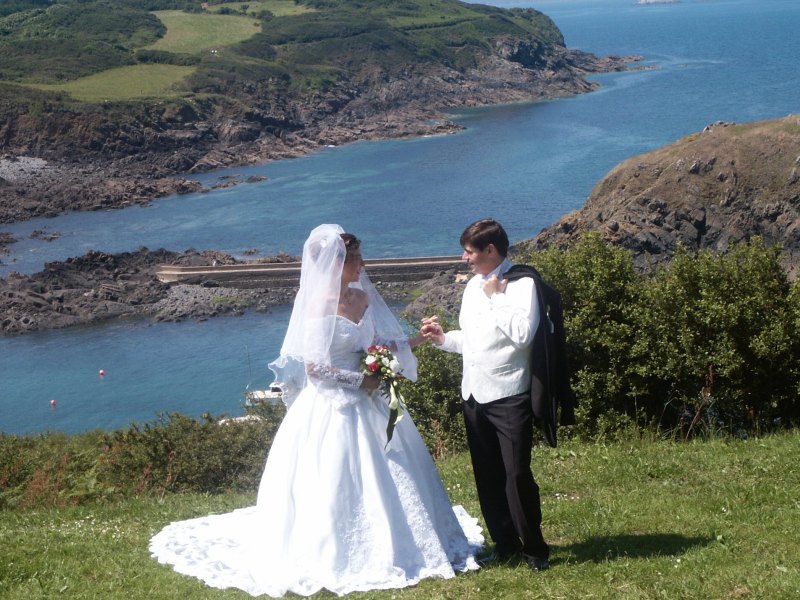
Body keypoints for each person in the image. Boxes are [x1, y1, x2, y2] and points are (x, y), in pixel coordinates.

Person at [150, 224, 482, 597]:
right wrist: (362, 381)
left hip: (371, 400)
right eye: (355, 258)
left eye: (360, 257)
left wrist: (417, 339)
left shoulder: (361, 298)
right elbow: (315, 369)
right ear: (336, 263)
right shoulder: (317, 306)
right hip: (332, 406)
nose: (362, 264)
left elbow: (376, 343)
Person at [421, 218, 550, 571]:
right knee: (488, 476)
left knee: (517, 475)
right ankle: (505, 544)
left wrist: (496, 297)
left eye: (469, 252)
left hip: (509, 394)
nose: (464, 258)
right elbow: (474, 340)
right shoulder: (471, 287)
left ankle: (535, 549)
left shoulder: (522, 284)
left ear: (490, 249)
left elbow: (522, 335)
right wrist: (443, 339)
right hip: (474, 395)